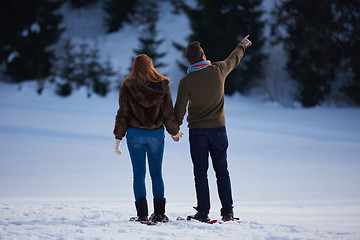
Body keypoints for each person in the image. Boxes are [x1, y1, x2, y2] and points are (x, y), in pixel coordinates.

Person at [174, 35, 252, 222]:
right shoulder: (219, 69)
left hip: (197, 132)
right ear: (203, 56)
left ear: (188, 60)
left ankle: (203, 212)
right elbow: (234, 58)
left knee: (200, 173)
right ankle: (228, 212)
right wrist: (242, 45)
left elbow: (179, 110)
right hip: (219, 130)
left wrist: (175, 130)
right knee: (222, 170)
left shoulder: (186, 81)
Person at [113, 54, 183, 223]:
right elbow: (168, 112)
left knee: (138, 174)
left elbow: (123, 113)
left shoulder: (128, 85)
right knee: (157, 174)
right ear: (151, 66)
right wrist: (174, 131)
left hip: (134, 135)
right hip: (156, 136)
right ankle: (159, 214)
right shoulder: (162, 84)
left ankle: (142, 215)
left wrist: (118, 137)